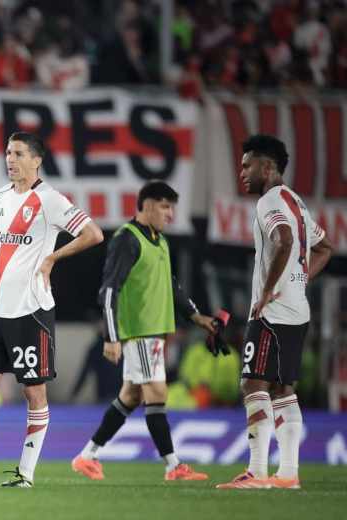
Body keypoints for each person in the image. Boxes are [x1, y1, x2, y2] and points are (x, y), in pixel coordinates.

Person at [0, 132, 104, 488]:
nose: (10, 159)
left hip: (32, 310)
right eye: (8, 153)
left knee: (33, 392)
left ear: (36, 160)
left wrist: (53, 256)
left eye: (18, 153)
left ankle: (25, 474)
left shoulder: (51, 200)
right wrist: (3, 265)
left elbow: (93, 234)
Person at [70, 181, 218, 482]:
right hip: (139, 332)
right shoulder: (127, 239)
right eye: (165, 206)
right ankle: (173, 466)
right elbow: (109, 290)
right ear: (147, 205)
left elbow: (171, 284)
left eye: (172, 207)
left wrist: (196, 316)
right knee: (157, 392)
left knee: (131, 396)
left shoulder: (159, 241)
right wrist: (111, 337)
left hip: (154, 333)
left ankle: (87, 456)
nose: (170, 214)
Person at [217, 135, 332, 490]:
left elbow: (282, 239)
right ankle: (289, 474)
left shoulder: (270, 201)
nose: (242, 173)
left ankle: (256, 472)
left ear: (267, 168)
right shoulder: (296, 201)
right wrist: (298, 279)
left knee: (252, 383)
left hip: (272, 312)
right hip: (297, 309)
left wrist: (267, 291)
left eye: (247, 165)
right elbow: (324, 246)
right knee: (283, 391)